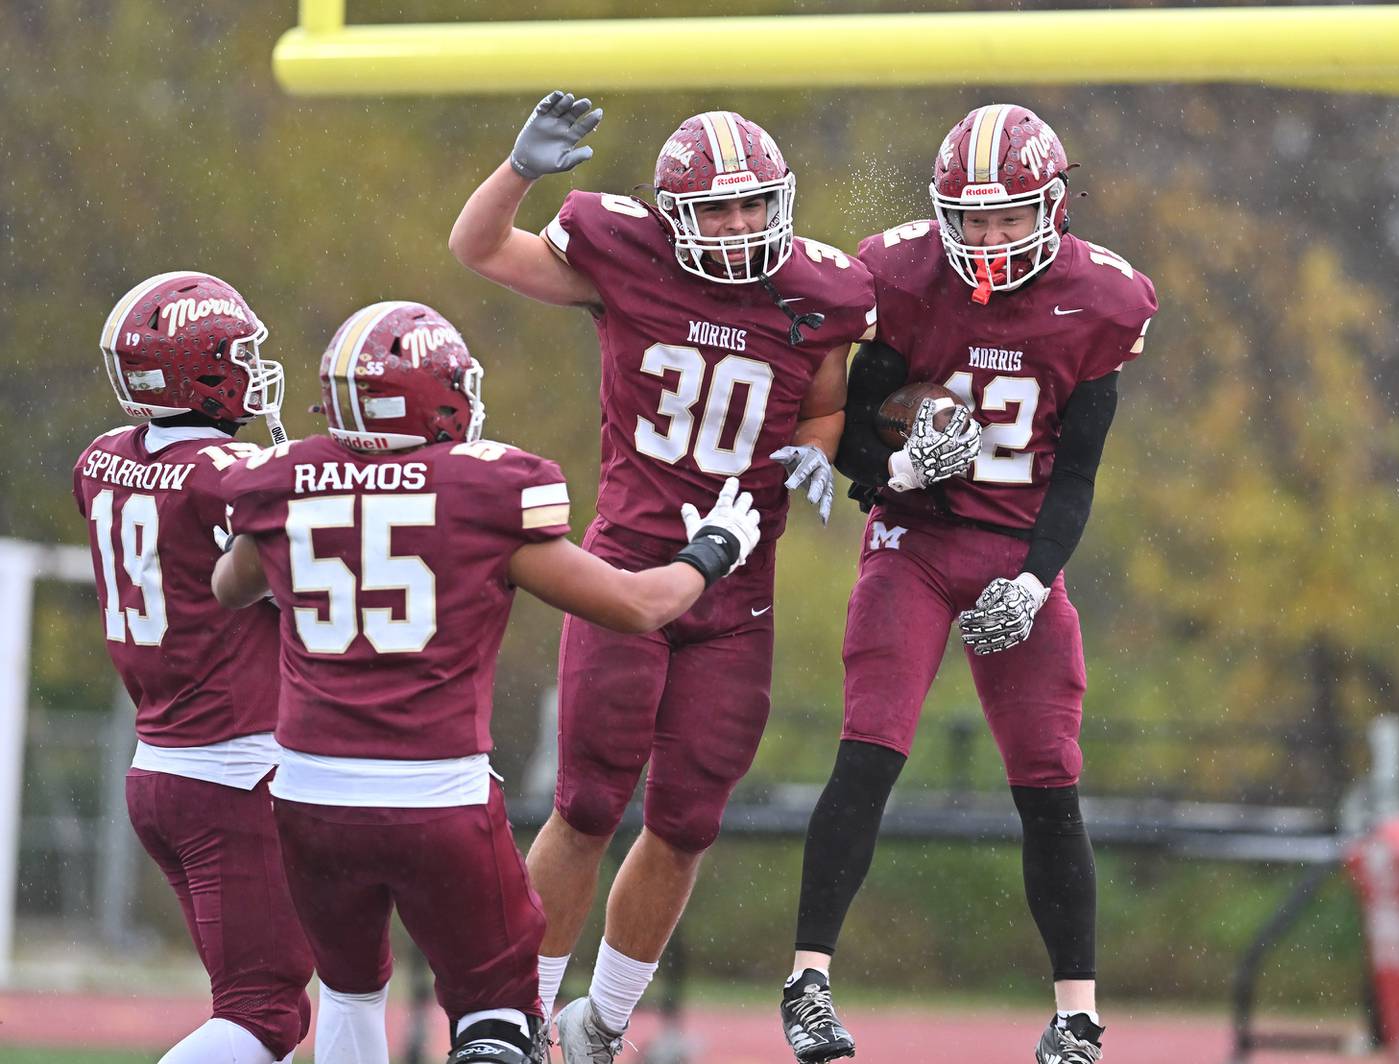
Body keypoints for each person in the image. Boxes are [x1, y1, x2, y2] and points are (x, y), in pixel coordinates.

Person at [211, 300, 761, 1064]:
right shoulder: (484, 490)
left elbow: (228, 587)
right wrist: (712, 549)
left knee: (345, 991)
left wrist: (294, 553)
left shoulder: (281, 482)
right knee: (497, 1011)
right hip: (435, 795)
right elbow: (637, 606)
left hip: (310, 796)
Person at [449, 93, 878, 1060]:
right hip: (628, 567)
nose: (735, 227)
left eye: (751, 206)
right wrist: (517, 171)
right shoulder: (625, 254)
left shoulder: (822, 293)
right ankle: (515, 1021)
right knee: (590, 803)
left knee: (688, 819)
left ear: (782, 202)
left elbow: (819, 406)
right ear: (674, 216)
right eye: (714, 210)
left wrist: (820, 446)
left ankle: (599, 1024)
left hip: (740, 594)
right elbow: (480, 249)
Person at [778, 104, 1159, 1064]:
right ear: (943, 214)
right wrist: (894, 471)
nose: (987, 239)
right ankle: (808, 984)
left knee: (1049, 782)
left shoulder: (1105, 301)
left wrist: (1035, 583)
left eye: (1005, 219)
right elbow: (862, 424)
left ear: (1053, 207)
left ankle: (1076, 1012)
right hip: (913, 538)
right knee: (869, 749)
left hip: (1020, 551)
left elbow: (1075, 474)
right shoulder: (904, 275)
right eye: (972, 220)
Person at [74, 271, 312, 1064]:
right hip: (233, 767)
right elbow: (309, 596)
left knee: (253, 1002)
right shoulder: (227, 478)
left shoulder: (98, 461)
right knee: (266, 1014)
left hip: (161, 769)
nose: (254, 370)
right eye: (239, 355)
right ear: (201, 372)